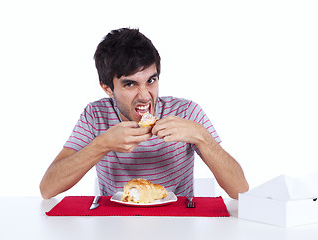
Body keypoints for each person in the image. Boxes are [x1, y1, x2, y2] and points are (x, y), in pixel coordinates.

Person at [40, 28, 249, 199]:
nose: (145, 96)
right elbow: (47, 189)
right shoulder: (96, 115)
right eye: (130, 84)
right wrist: (101, 145)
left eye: (151, 80)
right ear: (107, 88)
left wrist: (201, 137)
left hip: (178, 226)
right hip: (114, 226)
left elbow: (240, 190)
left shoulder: (186, 112)